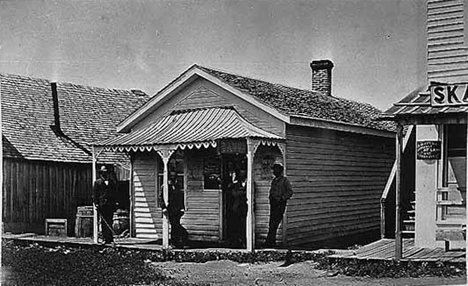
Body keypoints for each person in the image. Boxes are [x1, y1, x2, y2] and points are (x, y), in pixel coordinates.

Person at [264, 162, 293, 248]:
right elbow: (272, 192)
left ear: (280, 171)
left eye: (276, 170)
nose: (274, 172)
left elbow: (290, 192)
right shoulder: (274, 181)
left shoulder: (284, 180)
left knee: (275, 223)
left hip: (280, 204)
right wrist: (271, 198)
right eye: (274, 170)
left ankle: (270, 241)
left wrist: (283, 198)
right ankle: (270, 241)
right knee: (272, 223)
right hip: (273, 204)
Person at [160, 172, 188, 248]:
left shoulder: (177, 186)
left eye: (174, 177)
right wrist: (164, 208)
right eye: (171, 177)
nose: (172, 179)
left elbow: (180, 197)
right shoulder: (165, 187)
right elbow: (161, 198)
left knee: (175, 225)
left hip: (177, 209)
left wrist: (182, 208)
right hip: (170, 209)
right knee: (174, 225)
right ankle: (174, 242)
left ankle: (177, 242)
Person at [93, 165, 116, 245]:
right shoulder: (97, 182)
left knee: (110, 221)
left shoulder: (112, 182)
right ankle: (105, 238)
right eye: (103, 173)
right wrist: (96, 203)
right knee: (103, 222)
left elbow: (114, 194)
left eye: (106, 173)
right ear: (101, 174)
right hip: (102, 205)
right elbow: (95, 194)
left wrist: (115, 203)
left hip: (110, 205)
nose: (105, 175)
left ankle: (110, 238)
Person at [227, 169, 247, 247]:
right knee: (237, 225)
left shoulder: (250, 182)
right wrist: (244, 192)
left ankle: (245, 241)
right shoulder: (236, 184)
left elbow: (251, 192)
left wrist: (241, 192)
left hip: (246, 207)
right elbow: (234, 193)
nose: (242, 176)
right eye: (240, 174)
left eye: (243, 174)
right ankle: (237, 241)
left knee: (246, 225)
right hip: (237, 207)